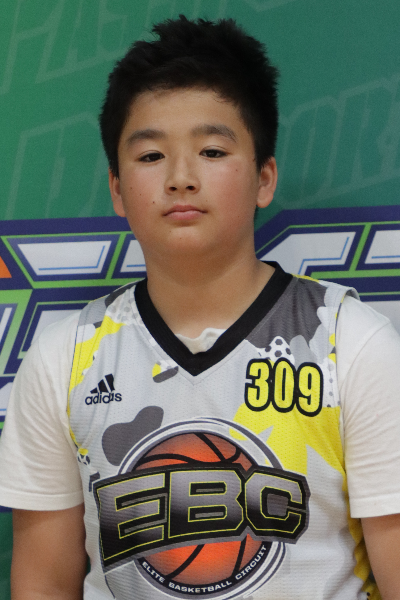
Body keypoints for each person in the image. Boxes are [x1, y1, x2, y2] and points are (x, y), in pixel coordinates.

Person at [1, 15, 400, 600]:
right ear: (117, 189)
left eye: (212, 150)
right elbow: (43, 581)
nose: (181, 178)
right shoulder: (65, 359)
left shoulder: (352, 343)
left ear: (264, 178)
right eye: (151, 156)